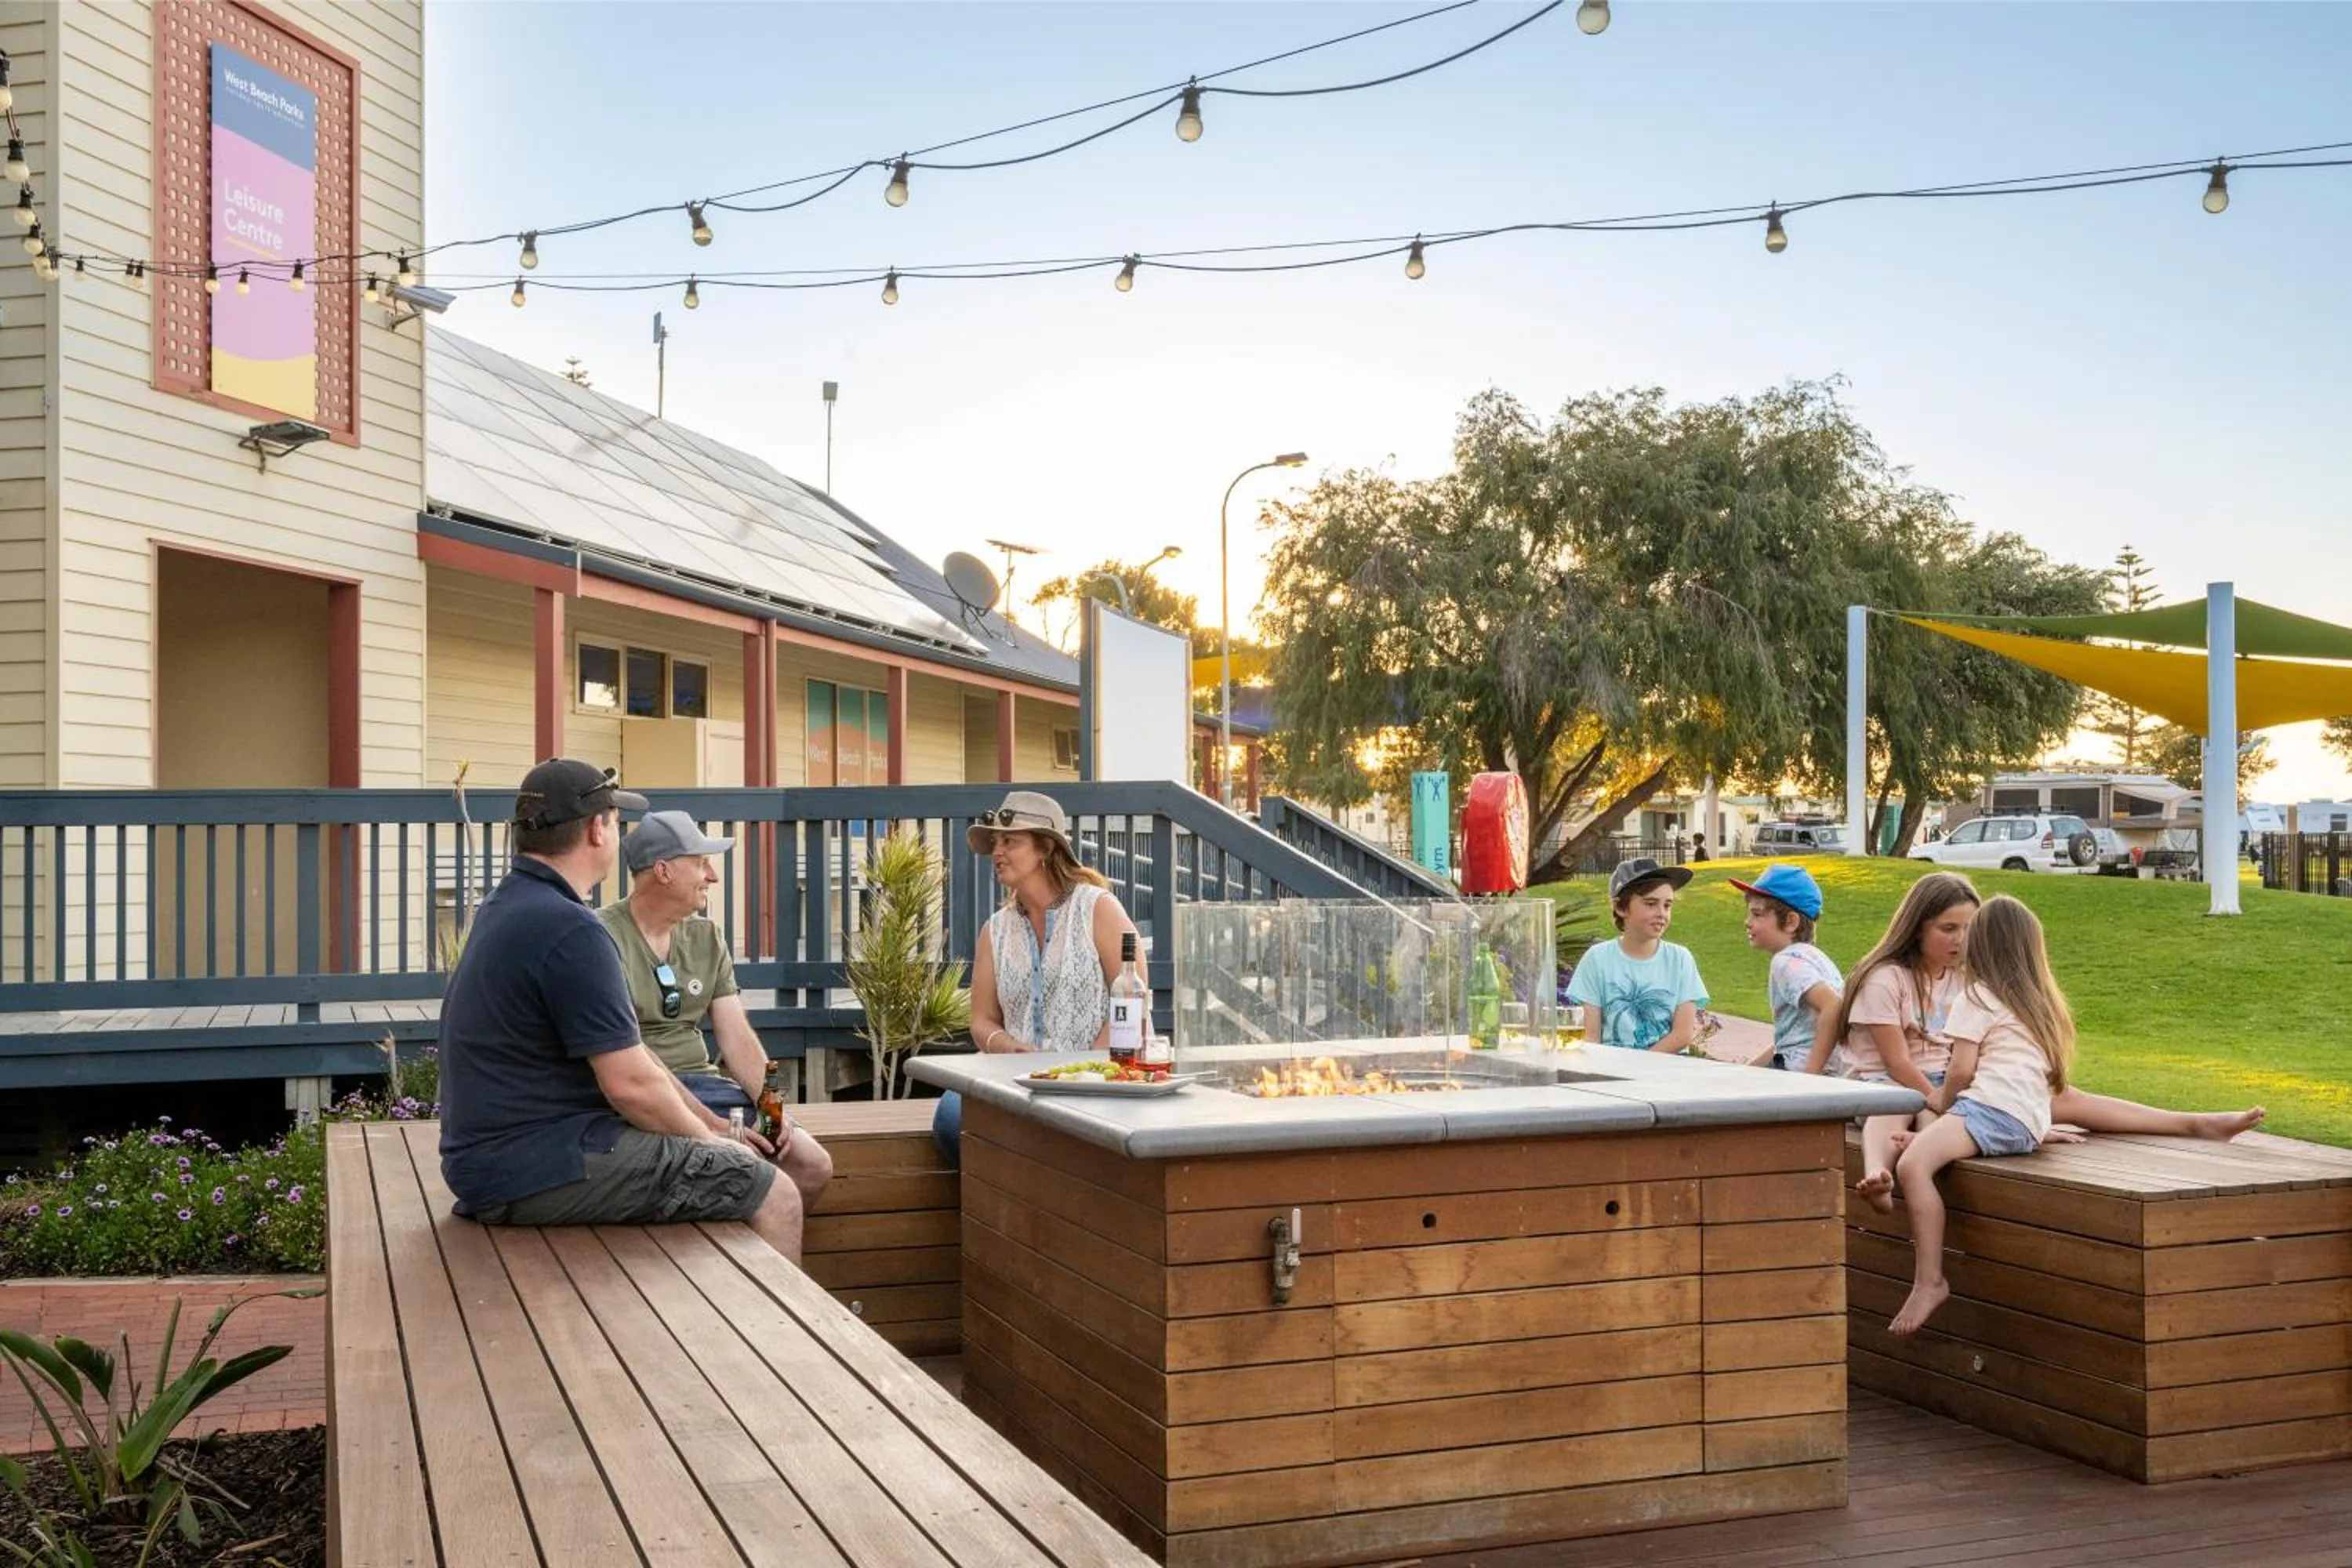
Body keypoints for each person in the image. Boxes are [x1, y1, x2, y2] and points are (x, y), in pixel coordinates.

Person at [436, 759, 806, 1261]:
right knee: (776, 1194)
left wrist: (716, 1126)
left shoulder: (510, 906)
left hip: (512, 1153)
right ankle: (775, 1340)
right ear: (596, 829)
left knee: (797, 1162)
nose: (711, 875)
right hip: (537, 1163)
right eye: (614, 820)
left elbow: (644, 1059)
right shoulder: (575, 930)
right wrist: (709, 1142)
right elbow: (629, 1084)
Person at [601, 810, 833, 1212]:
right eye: (701, 863)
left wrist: (773, 1108)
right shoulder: (601, 937)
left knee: (813, 1166)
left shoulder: (706, 936)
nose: (713, 877)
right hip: (645, 1095)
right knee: (746, 1166)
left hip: (707, 1087)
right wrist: (715, 1127)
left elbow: (737, 1037)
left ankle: (759, 1268)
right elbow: (626, 1058)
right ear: (663, 871)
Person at [1887, 896, 2071, 1335]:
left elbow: (1963, 1070)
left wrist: (1943, 1102)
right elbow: (2032, 1079)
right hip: (2023, 1118)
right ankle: (1933, 1141)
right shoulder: (2037, 1003)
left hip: (1989, 1109)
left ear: (1982, 946)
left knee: (1912, 1166)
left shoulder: (1977, 996)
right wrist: (2039, 1129)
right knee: (1926, 1145)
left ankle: (1930, 1280)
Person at [931, 790, 1144, 1165]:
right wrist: (1007, 1049)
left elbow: (1133, 1000)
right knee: (951, 1117)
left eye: (1010, 841)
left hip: (1097, 1081)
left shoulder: (1097, 908)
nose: (997, 851)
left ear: (1046, 848)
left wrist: (1087, 1069)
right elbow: (981, 1020)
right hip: (1017, 1082)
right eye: (995, 842)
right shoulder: (994, 931)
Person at [1835, 872, 1978, 1214]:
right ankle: (1878, 1176)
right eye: (1948, 929)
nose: (1960, 939)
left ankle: (2132, 1121)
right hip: (1884, 1083)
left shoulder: (1963, 977)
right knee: (1898, 1105)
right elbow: (1897, 1063)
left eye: (1969, 928)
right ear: (1917, 928)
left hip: (1943, 1084)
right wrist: (1938, 1100)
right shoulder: (1885, 979)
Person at [1566, 858, 1708, 1052]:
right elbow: (1591, 1036)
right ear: (1621, 908)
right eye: (1651, 904)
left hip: (1667, 1073)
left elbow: (1682, 1034)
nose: (1662, 914)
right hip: (1612, 1073)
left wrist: (1640, 1067)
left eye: (1667, 905)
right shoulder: (1597, 959)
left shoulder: (1680, 960)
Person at [1729, 864, 1841, 1073]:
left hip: (1797, 1071)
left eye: (1757, 914)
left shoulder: (1786, 962)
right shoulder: (1819, 959)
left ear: (1790, 922)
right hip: (1821, 1067)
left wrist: (1811, 1076)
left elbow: (1834, 1007)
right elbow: (1790, 1038)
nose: (1747, 922)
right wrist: (1747, 1073)